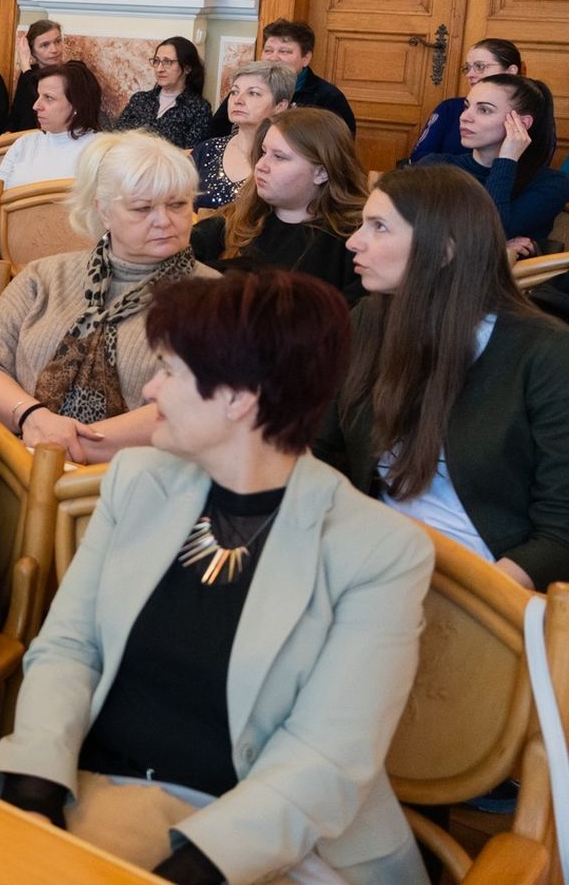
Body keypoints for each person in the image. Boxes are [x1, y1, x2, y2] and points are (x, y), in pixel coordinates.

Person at [0, 270, 431, 885]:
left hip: (266, 843)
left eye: (169, 371)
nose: (149, 388)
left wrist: (187, 871)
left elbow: (326, 759)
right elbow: (69, 648)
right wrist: (33, 792)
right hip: (89, 794)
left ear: (239, 398)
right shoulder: (137, 481)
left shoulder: (376, 550)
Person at [320, 165, 569, 590]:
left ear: (444, 250)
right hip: (376, 557)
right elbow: (319, 446)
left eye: (379, 227)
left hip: (485, 586)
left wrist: (480, 604)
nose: (353, 241)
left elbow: (559, 530)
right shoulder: (369, 319)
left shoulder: (543, 351)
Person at [0, 132, 215, 464]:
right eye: (143, 207)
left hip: (133, 477)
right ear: (103, 211)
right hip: (14, 460)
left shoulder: (217, 299)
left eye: (177, 204)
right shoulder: (43, 277)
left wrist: (66, 447)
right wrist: (32, 417)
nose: (164, 220)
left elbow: (203, 403)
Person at [191, 108, 366, 299]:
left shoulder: (354, 240)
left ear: (321, 173)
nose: (260, 166)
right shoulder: (238, 216)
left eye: (279, 157)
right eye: (264, 152)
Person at [437, 74, 567, 256]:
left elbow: (488, 233)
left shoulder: (551, 184)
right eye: (467, 106)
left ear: (521, 123)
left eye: (484, 110)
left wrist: (507, 159)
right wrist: (498, 248)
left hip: (500, 283)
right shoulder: (434, 166)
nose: (465, 117)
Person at [209, 19, 356, 136]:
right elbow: (213, 134)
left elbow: (336, 150)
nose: (273, 58)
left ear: (306, 58)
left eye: (284, 51)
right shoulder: (244, 89)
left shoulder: (328, 97)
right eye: (268, 50)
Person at [193, 60, 295, 209]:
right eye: (234, 92)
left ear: (280, 106)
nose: (238, 100)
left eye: (253, 93)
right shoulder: (207, 150)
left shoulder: (285, 159)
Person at [409, 37, 523, 162]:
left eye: (480, 66)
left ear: (511, 71)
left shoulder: (527, 113)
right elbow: (418, 157)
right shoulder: (450, 108)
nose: (470, 74)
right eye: (467, 68)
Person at [0, 61, 101, 190]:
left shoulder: (101, 149)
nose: (36, 106)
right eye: (38, 96)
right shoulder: (24, 143)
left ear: (77, 104)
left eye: (48, 98)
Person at [114, 36, 214, 150]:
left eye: (167, 62)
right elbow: (115, 136)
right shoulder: (140, 99)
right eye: (156, 61)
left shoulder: (199, 109)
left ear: (187, 68)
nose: (159, 69)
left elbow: (194, 154)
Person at [7, 20, 65, 132]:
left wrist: (25, 65)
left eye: (57, 41)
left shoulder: (74, 70)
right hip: (24, 139)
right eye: (45, 45)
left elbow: (39, 105)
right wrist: (7, 132)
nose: (54, 50)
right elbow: (17, 112)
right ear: (31, 51)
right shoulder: (30, 73)